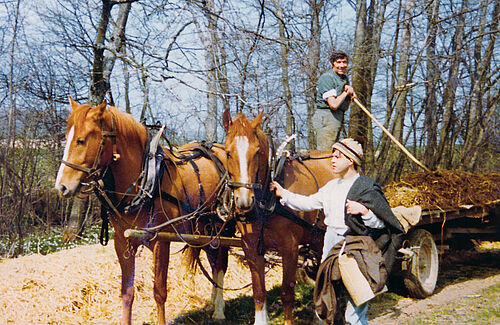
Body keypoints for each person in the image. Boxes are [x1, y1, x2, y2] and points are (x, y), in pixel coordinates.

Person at [270, 138, 404, 325]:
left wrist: (364, 211)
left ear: (350, 160)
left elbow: (382, 225)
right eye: (332, 155)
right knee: (327, 293)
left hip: (357, 246)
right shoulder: (331, 187)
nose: (332, 160)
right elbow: (308, 203)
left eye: (337, 156)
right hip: (331, 244)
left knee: (356, 302)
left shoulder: (366, 187)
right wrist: (283, 193)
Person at [313, 51, 356, 151]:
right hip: (327, 116)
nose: (342, 65)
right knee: (325, 152)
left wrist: (350, 96)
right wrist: (345, 93)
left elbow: (344, 107)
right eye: (339, 62)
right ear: (332, 64)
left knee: (333, 152)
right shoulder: (327, 78)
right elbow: (333, 105)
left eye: (344, 62)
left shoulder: (344, 79)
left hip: (337, 117)